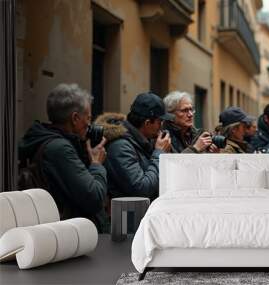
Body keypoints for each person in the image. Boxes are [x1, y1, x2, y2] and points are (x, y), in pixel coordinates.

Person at [18, 83, 109, 232]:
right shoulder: (60, 149)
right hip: (71, 233)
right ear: (75, 118)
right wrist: (97, 164)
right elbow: (94, 198)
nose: (89, 125)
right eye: (88, 118)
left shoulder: (43, 138)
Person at [97, 92, 172, 201]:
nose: (161, 126)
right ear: (147, 123)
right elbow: (142, 189)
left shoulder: (145, 140)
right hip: (127, 214)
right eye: (160, 121)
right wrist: (159, 153)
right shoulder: (120, 147)